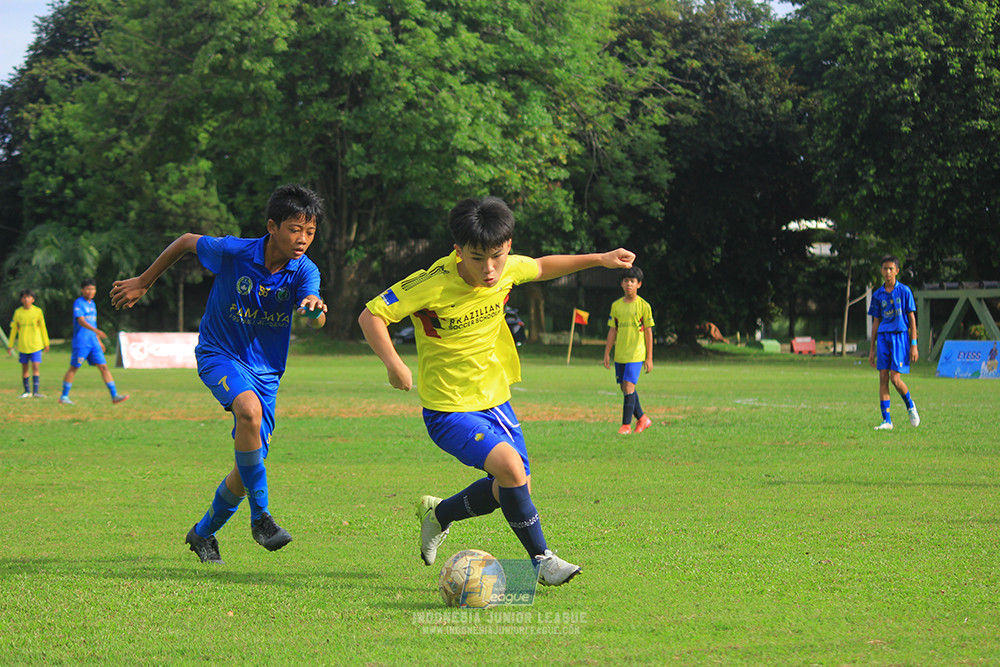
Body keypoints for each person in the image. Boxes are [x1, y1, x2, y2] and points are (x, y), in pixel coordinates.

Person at [358, 195, 635, 587]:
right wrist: (394, 364)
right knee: (510, 468)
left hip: (496, 398)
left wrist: (601, 258)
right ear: (458, 250)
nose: (490, 269)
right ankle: (542, 560)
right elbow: (371, 315)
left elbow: (540, 266)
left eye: (498, 256)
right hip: (447, 408)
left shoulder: (507, 268)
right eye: (477, 258)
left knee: (513, 486)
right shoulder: (432, 283)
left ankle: (440, 515)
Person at [110, 184, 327, 564]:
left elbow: (317, 315)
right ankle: (261, 518)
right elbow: (185, 242)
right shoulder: (234, 251)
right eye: (295, 229)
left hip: (267, 374)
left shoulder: (304, 270)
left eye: (310, 231)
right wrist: (145, 280)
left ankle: (203, 533)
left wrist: (313, 311)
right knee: (248, 412)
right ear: (272, 226)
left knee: (249, 467)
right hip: (219, 354)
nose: (303, 239)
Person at [867, 254, 920, 430]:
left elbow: (911, 319)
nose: (888, 272)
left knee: (895, 379)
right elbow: (876, 322)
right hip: (883, 337)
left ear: (897, 271)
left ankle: (910, 405)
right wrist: (872, 348)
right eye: (885, 268)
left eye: (891, 269)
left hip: (900, 337)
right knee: (883, 377)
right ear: (881, 271)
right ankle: (886, 421)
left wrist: (914, 344)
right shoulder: (877, 295)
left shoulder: (904, 291)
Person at [59, 279, 129, 405]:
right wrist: (97, 330)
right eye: (88, 289)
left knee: (104, 367)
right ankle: (64, 396)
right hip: (82, 342)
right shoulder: (79, 303)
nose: (91, 292)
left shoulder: (92, 304)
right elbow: (81, 320)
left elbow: (92, 322)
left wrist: (99, 340)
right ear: (82, 290)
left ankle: (114, 395)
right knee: (74, 367)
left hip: (93, 342)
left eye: (93, 289)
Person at [603, 267, 655, 435]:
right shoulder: (616, 306)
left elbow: (648, 331)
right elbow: (612, 331)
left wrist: (649, 357)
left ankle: (625, 426)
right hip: (621, 354)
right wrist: (607, 353)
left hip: (636, 353)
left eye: (632, 281)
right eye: (626, 281)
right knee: (625, 389)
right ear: (621, 284)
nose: (629, 284)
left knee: (628, 386)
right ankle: (643, 419)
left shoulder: (644, 306)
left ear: (638, 284)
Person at [8, 289, 50, 398]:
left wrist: (46, 342)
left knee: (35, 366)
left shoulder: (38, 311)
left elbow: (43, 327)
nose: (26, 299)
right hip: (23, 345)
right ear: (22, 299)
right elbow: (13, 330)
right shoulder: (18, 312)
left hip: (36, 344)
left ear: (33, 299)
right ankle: (27, 391)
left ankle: (36, 391)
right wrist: (10, 344)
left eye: (28, 297)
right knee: (25, 367)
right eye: (24, 297)